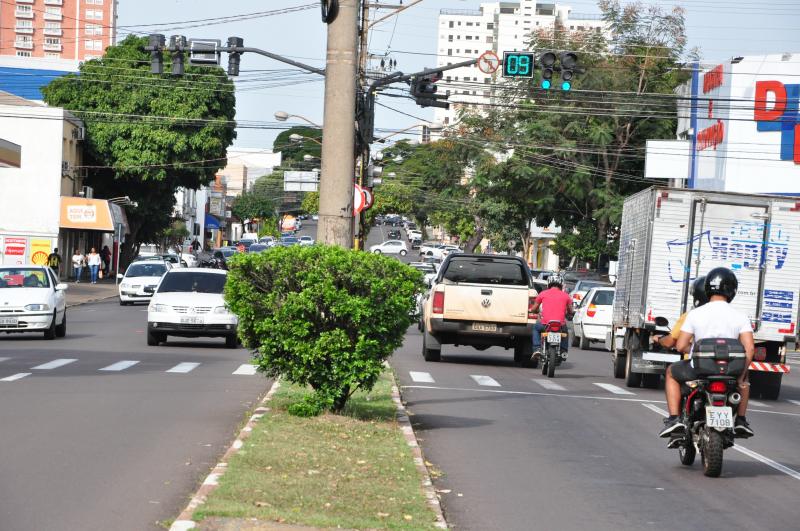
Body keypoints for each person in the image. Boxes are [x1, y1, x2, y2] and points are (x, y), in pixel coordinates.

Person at [659, 267, 755, 439]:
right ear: (731, 289)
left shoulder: (695, 314)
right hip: (730, 372)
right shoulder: (740, 316)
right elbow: (750, 349)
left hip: (699, 370)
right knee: (745, 381)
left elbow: (680, 346)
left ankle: (674, 419)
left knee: (671, 373)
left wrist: (696, 350)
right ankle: (740, 420)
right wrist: (741, 374)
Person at [652, 276, 707, 351]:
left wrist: (659, 339)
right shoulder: (724, 315)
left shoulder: (691, 315)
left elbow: (669, 343)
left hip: (696, 360)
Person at [530, 274, 575, 361]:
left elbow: (533, 309)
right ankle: (563, 351)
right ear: (561, 284)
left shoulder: (542, 294)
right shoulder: (566, 296)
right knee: (565, 332)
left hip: (545, 325)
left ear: (549, 284)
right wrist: (569, 313)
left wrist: (535, 312)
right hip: (560, 326)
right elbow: (570, 311)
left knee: (535, 328)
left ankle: (537, 349)